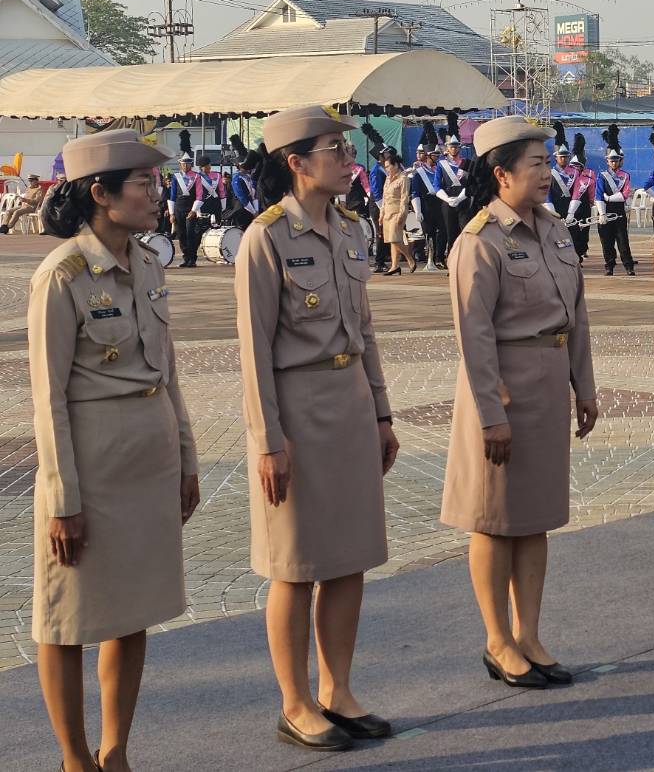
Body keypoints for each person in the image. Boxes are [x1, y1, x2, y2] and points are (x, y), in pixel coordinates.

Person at [27, 130, 200, 772]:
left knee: (134, 611)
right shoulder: (62, 275)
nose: (157, 194)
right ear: (100, 194)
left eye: (157, 183)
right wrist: (63, 500)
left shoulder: (151, 263)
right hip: (89, 467)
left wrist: (186, 457)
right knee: (67, 617)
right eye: (144, 184)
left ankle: (116, 749)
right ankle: (74, 758)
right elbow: (47, 399)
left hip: (147, 458)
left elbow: (169, 370)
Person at [236, 105, 399, 752]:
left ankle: (338, 690)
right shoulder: (266, 239)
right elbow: (252, 353)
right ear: (296, 163)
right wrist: (268, 441)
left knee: (348, 557)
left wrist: (382, 410)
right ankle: (296, 702)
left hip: (350, 400)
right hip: (296, 410)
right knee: (295, 564)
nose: (346, 156)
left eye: (345, 145)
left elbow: (363, 330)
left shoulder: (353, 229)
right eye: (333, 148)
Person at [440, 117, 599, 688]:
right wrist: (490, 412)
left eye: (548, 163)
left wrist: (585, 387)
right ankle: (498, 640)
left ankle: (530, 634)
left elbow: (575, 316)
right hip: (504, 388)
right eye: (536, 164)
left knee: (534, 520)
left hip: (548, 384)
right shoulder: (478, 242)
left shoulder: (555, 232)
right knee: (494, 521)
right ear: (501, 173)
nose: (548, 174)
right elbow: (473, 335)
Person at [595, 130, 636, 276]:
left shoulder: (625, 176)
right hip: (605, 211)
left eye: (616, 160)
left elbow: (625, 194)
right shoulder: (602, 176)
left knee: (623, 240)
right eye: (611, 160)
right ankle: (609, 266)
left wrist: (609, 198)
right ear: (607, 161)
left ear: (619, 161)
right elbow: (598, 195)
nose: (614, 162)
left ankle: (629, 266)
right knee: (607, 242)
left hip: (618, 211)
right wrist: (602, 213)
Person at [410, 145, 446, 269]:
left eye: (437, 155)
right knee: (429, 233)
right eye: (434, 155)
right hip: (426, 205)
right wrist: (417, 210)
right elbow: (415, 192)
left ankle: (439, 258)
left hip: (440, 203)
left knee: (442, 232)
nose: (437, 157)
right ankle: (430, 258)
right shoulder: (419, 172)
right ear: (427, 155)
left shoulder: (440, 169)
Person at [380, 151, 414, 275]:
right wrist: (381, 213)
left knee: (395, 239)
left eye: (388, 166)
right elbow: (384, 196)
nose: (387, 169)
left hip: (397, 211)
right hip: (387, 212)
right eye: (386, 167)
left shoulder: (403, 178)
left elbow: (405, 197)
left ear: (395, 165)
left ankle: (410, 258)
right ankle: (395, 266)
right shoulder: (388, 179)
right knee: (391, 240)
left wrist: (402, 213)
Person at [436, 135, 471, 244]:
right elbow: (436, 185)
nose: (454, 149)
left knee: (466, 231)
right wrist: (447, 199)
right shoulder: (441, 164)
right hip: (448, 202)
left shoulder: (467, 163)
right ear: (447, 148)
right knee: (450, 233)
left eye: (456, 147)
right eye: (451, 147)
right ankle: (452, 258)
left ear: (459, 148)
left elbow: (471, 184)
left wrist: (460, 198)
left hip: (464, 201)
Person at [567, 139, 598, 262]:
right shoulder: (567, 174)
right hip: (571, 205)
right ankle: (576, 256)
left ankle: (582, 249)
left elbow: (591, 190)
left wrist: (592, 202)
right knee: (572, 231)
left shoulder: (590, 174)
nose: (576, 168)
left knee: (584, 231)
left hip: (584, 205)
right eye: (573, 166)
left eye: (578, 166)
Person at [168, 154, 201, 267]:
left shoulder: (196, 177)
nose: (186, 166)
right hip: (178, 208)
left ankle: (193, 258)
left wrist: (194, 210)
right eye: (183, 164)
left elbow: (199, 195)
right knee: (181, 234)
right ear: (180, 164)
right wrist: (171, 213)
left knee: (190, 233)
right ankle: (186, 258)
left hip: (190, 207)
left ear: (191, 164)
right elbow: (172, 196)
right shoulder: (176, 177)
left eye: (188, 164)